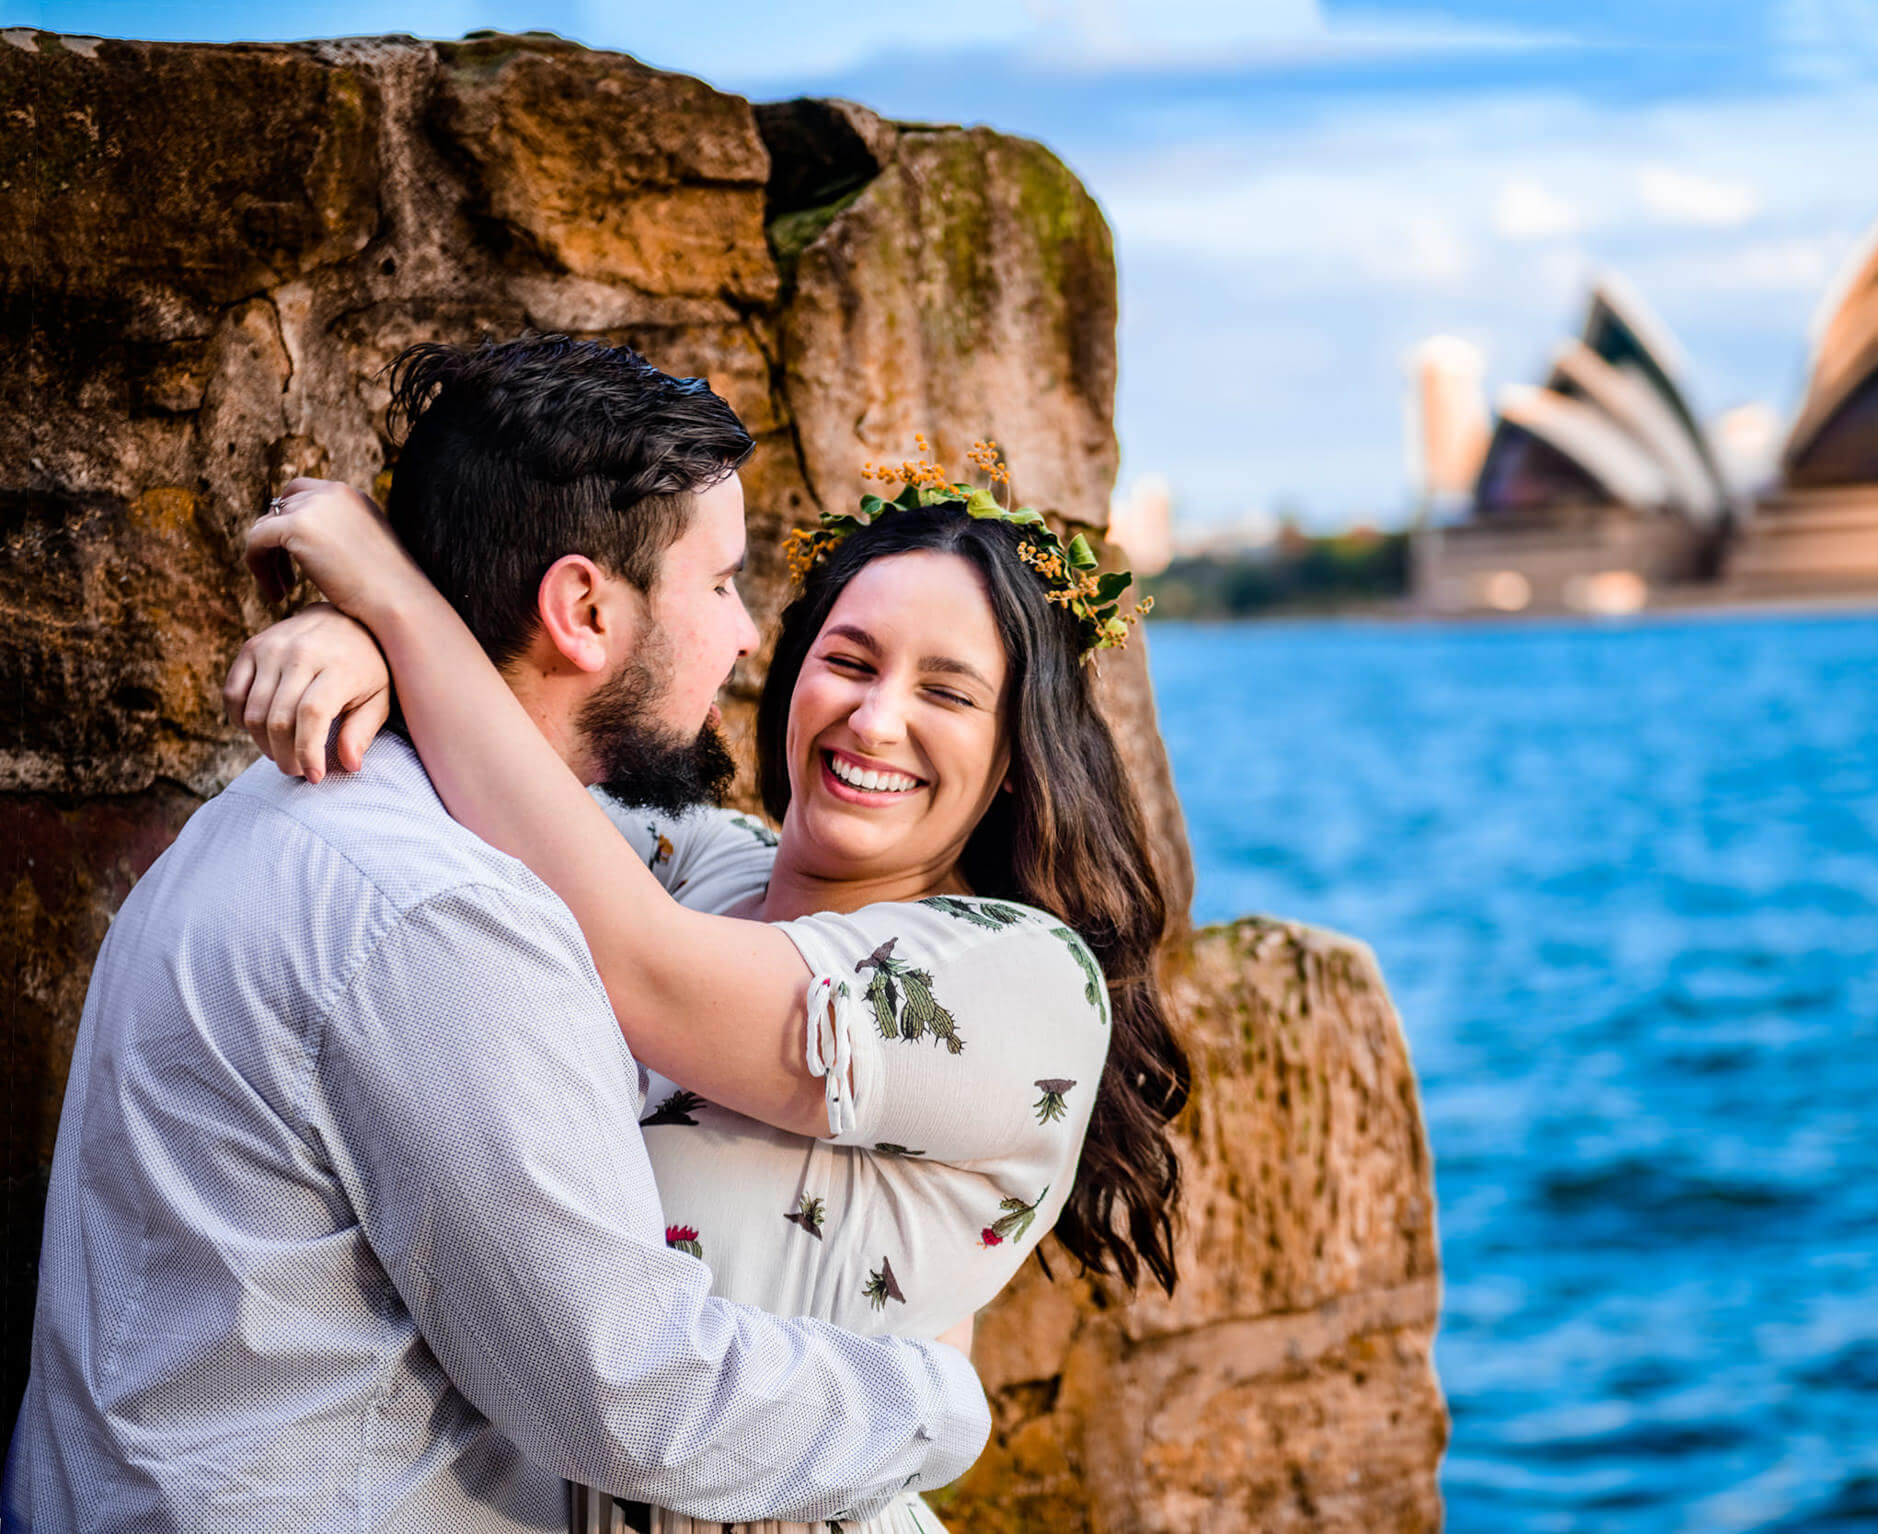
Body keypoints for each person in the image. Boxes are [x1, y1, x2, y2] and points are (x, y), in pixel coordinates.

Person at [3, 339, 996, 1532]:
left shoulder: (324, 809)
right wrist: (942, 1396)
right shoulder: (445, 917)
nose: (745, 637)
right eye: (722, 582)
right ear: (582, 609)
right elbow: (637, 1393)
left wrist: (383, 629)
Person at [213, 375, 1187, 1531]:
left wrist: (395, 601)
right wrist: (363, 647)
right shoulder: (699, 860)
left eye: (947, 691)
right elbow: (509, 766)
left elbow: (650, 972)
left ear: (1019, 756)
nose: (875, 720)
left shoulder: (1020, 980)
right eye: (851, 660)